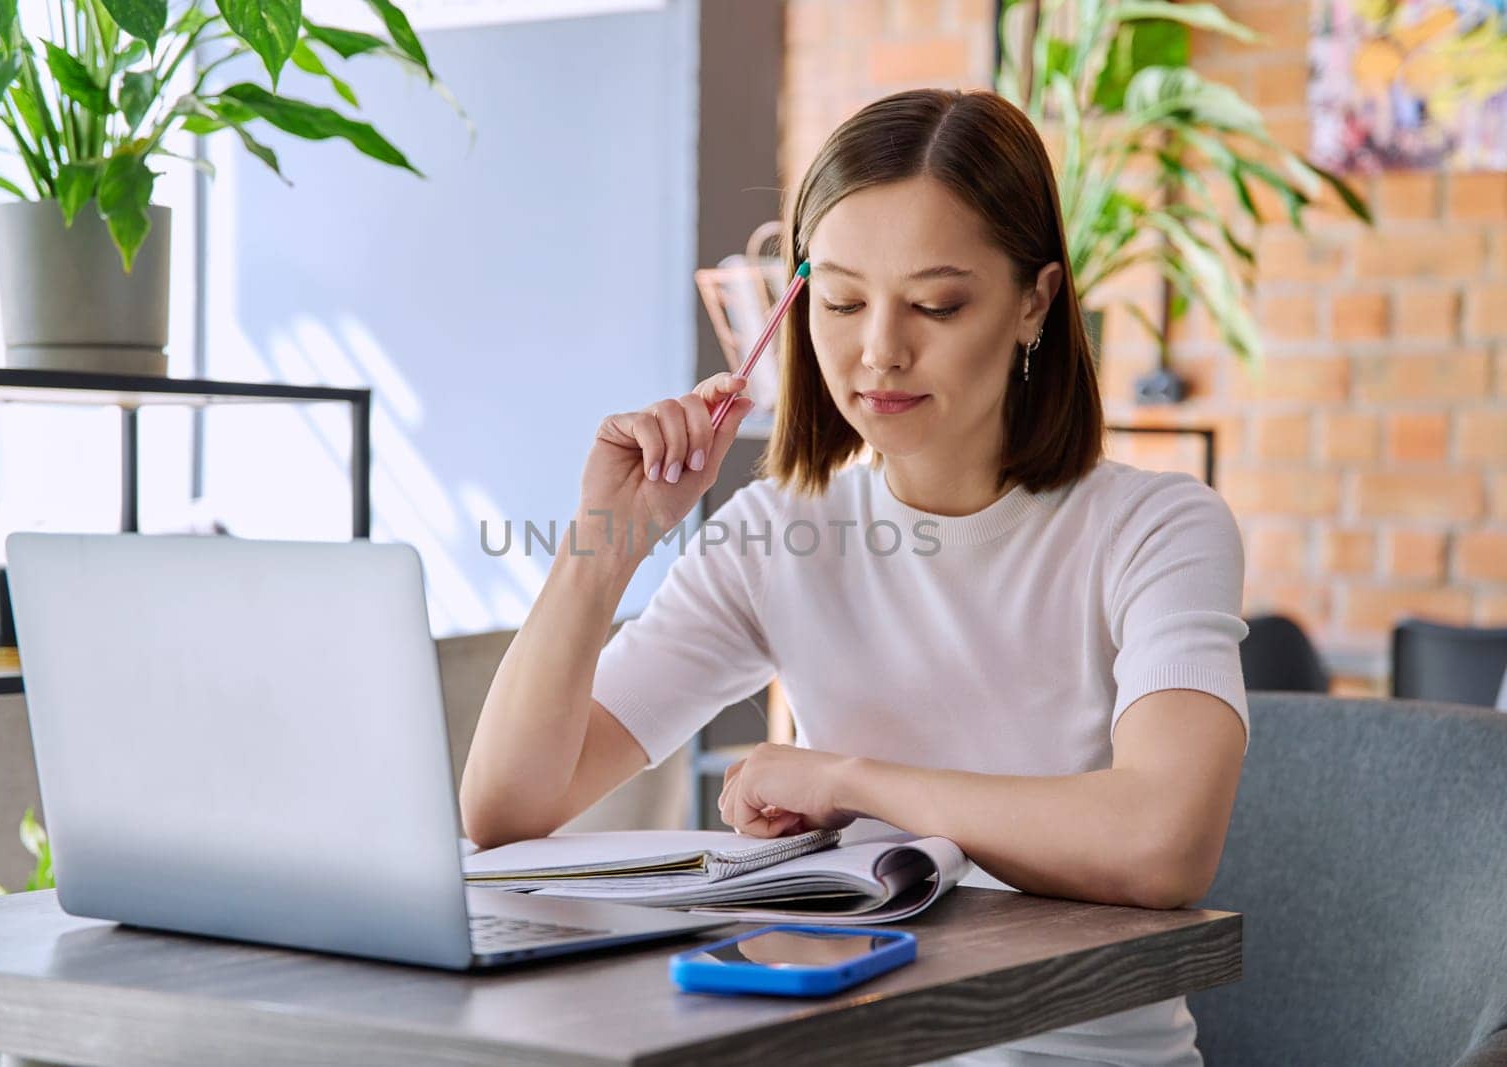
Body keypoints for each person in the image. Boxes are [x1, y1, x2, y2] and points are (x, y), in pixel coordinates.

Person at [461, 88, 1248, 1065]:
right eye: (838, 300)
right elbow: (504, 812)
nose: (878, 349)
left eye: (935, 302)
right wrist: (604, 545)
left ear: (1034, 300)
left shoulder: (1155, 527)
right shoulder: (780, 532)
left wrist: (845, 777)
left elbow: (1162, 841)